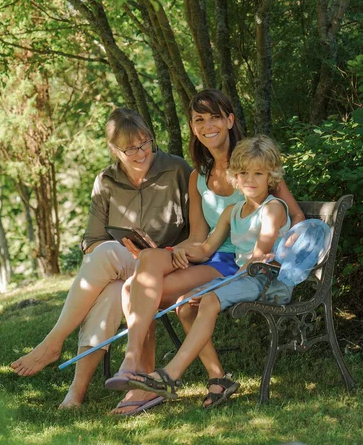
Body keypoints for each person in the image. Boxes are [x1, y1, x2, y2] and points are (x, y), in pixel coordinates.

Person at [106, 91, 304, 412]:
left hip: (235, 264)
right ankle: (139, 369)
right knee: (148, 265)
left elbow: (293, 215)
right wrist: (180, 252)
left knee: (137, 291)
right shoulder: (198, 177)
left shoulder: (253, 167)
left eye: (214, 116)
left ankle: (142, 382)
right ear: (193, 128)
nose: (207, 125)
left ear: (229, 120)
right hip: (212, 257)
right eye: (199, 119)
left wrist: (292, 243)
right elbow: (199, 237)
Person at [11, 108, 191, 412]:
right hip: (128, 268)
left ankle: (53, 343)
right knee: (109, 288)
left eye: (145, 142)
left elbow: (198, 228)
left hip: (170, 265)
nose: (139, 152)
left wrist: (159, 252)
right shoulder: (106, 181)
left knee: (108, 253)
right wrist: (128, 250)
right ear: (114, 150)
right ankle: (76, 393)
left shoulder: (177, 170)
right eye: (129, 148)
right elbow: (92, 242)